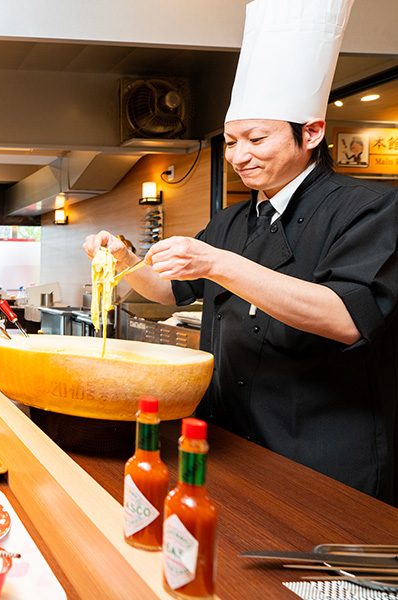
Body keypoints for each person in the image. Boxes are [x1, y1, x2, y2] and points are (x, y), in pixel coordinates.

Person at [85, 0, 398, 504]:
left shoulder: (371, 209)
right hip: (227, 442)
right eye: (230, 142)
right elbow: (169, 291)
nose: (239, 156)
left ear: (311, 132)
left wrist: (218, 262)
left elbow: (347, 318)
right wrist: (122, 260)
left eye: (256, 138)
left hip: (325, 461)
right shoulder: (234, 219)